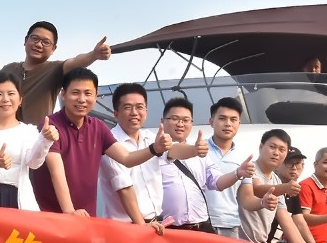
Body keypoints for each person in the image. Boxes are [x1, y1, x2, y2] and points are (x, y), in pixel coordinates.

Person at [30, 68, 171, 217]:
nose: (82, 99)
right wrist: (70, 211)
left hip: (86, 217)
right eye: (75, 93)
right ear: (63, 94)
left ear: (96, 96)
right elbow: (56, 171)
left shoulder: (98, 127)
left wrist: (154, 148)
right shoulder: (50, 125)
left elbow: (127, 158)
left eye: (88, 93)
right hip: (50, 217)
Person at [157, 97, 250, 232]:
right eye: (175, 119)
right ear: (162, 121)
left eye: (186, 120)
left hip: (200, 227)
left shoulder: (201, 155)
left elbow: (218, 182)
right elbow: (172, 151)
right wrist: (194, 150)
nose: (180, 124)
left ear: (191, 123)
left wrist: (238, 173)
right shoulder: (153, 152)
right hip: (167, 229)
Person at [0, 22, 112, 126]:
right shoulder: (8, 69)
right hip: (1, 134)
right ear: (26, 40)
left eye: (46, 42)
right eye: (35, 38)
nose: (39, 45)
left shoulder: (55, 70)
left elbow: (75, 61)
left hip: (38, 138)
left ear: (53, 49)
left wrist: (93, 55)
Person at [0, 73, 58, 209]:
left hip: (15, 200)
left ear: (20, 99)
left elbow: (34, 163)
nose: (5, 99)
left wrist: (45, 140)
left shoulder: (28, 131)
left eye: (11, 93)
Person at [98, 83, 169, 232]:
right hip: (126, 228)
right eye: (127, 107)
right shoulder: (110, 143)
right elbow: (124, 188)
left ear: (146, 112)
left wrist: (195, 149)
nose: (134, 113)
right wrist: (142, 226)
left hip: (154, 224)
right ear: (116, 114)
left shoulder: (150, 137)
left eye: (139, 107)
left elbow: (173, 152)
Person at [235, 129, 321, 243]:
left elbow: (286, 219)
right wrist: (285, 188)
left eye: (282, 150)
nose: (276, 153)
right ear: (261, 147)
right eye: (272, 147)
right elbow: (257, 189)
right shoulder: (248, 169)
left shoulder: (276, 180)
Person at [204, 97, 253, 239]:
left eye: (233, 119)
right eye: (222, 118)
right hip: (201, 222)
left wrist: (263, 202)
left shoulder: (244, 157)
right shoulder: (197, 149)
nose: (228, 124)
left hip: (230, 225)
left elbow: (246, 198)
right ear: (211, 121)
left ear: (239, 123)